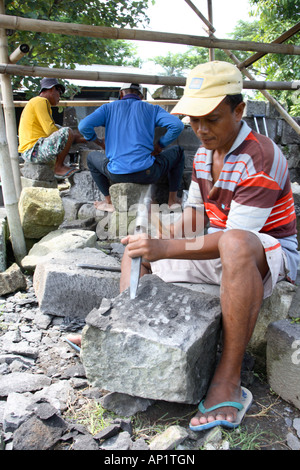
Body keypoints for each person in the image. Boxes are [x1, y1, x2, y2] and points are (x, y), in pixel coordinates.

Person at [120, 61, 300, 431]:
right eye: (194, 120)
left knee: (232, 243)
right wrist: (156, 235)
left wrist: (166, 249)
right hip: (223, 248)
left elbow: (233, 236)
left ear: (239, 110)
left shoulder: (260, 156)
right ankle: (121, 331)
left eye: (212, 119)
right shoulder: (204, 154)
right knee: (136, 247)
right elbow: (194, 218)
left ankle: (228, 377)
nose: (200, 129)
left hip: (269, 252)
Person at [78, 83, 185, 212]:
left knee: (91, 158)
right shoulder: (152, 109)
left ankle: (109, 201)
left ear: (121, 94)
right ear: (140, 95)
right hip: (147, 173)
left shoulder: (108, 108)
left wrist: (100, 142)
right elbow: (177, 125)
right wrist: (159, 145)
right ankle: (172, 200)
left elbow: (83, 126)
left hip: (116, 174)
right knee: (178, 152)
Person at [18, 77, 86, 179]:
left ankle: (59, 165)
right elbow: (49, 131)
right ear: (51, 89)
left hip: (31, 150)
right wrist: (70, 135)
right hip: (33, 151)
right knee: (66, 131)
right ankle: (58, 167)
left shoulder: (37, 102)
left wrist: (79, 138)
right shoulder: (40, 101)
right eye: (59, 93)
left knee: (62, 130)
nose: (59, 98)